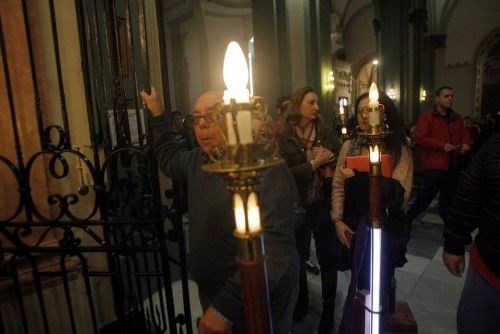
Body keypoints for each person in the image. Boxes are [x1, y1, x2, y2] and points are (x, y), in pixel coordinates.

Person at [140, 88, 300, 334]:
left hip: (256, 296)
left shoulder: (264, 166)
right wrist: (158, 114)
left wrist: (225, 306)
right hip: (212, 291)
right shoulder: (197, 160)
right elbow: (169, 159)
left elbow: (276, 247)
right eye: (196, 118)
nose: (202, 125)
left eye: (212, 115)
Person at [331, 90, 413, 333]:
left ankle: (376, 323)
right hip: (354, 223)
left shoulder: (399, 149)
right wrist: (337, 220)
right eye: (360, 111)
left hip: (386, 229)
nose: (366, 115)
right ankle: (358, 323)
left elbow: (400, 194)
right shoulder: (349, 146)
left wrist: (357, 178)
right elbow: (337, 186)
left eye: (371, 110)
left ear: (384, 113)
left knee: (379, 281)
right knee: (358, 283)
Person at [277, 87, 342, 333]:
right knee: (299, 255)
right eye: (311, 102)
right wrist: (313, 162)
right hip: (298, 205)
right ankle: (301, 299)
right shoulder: (284, 137)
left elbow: (340, 157)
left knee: (327, 256)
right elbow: (284, 174)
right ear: (298, 104)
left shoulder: (325, 132)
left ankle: (328, 308)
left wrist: (330, 162)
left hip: (322, 202)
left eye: (317, 103)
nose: (316, 107)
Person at [443, 133, 500, 334]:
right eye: (446, 96)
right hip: (491, 267)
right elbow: (469, 191)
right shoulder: (496, 144)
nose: (450, 98)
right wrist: (453, 241)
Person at [406, 86, 470, 225]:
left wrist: (465, 144)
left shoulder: (457, 118)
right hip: (435, 165)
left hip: (452, 164)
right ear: (437, 98)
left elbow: (465, 135)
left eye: (452, 96)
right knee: (425, 198)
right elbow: (420, 137)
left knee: (448, 199)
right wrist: (442, 145)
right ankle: (407, 219)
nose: (450, 99)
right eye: (446, 96)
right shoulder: (427, 117)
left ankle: (449, 226)